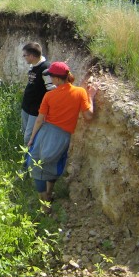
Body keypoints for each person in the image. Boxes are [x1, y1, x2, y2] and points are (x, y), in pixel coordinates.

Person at [26, 61, 97, 213]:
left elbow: (39, 119)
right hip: (63, 137)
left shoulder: (49, 95)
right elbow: (89, 116)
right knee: (53, 163)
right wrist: (91, 97)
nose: (50, 79)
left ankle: (44, 205)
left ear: (57, 79)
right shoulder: (80, 92)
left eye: (51, 76)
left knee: (37, 165)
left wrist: (32, 138)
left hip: (45, 133)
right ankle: (50, 194)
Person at [21, 43, 55, 145]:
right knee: (25, 133)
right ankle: (27, 156)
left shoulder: (45, 68)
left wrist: (44, 110)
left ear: (31, 56)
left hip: (36, 110)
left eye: (25, 55)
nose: (24, 58)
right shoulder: (33, 66)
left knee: (29, 137)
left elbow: (51, 90)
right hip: (26, 106)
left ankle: (29, 159)